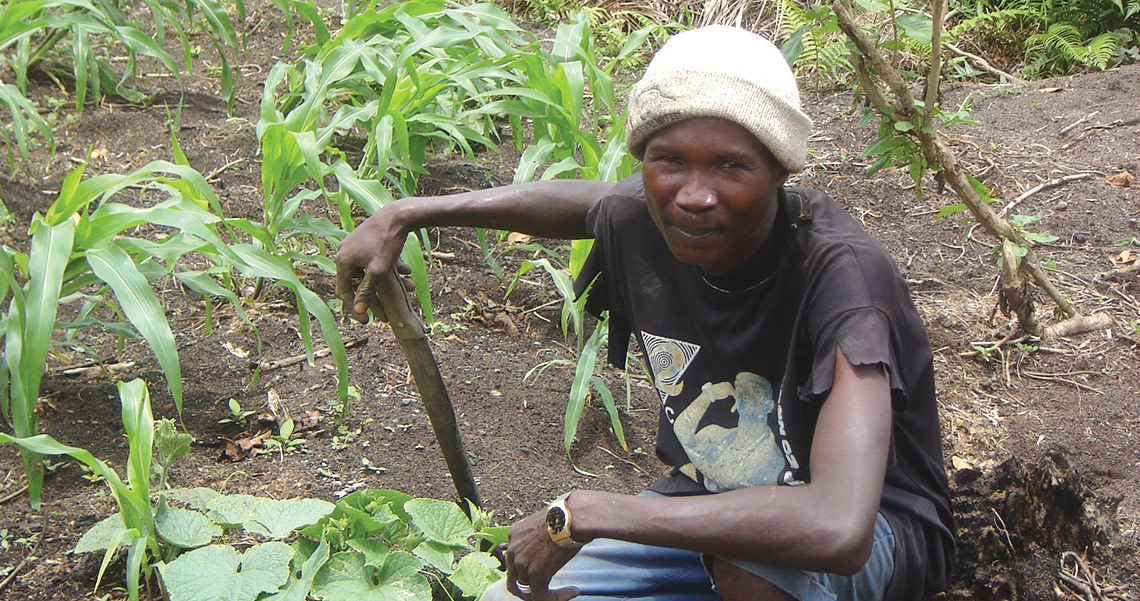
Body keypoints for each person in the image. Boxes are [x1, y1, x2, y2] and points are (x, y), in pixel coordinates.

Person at [335, 25, 955, 601]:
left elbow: (837, 528)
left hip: (874, 535)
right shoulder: (650, 216)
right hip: (710, 505)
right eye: (668, 160)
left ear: (778, 169)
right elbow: (583, 205)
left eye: (731, 165)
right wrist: (406, 214)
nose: (694, 194)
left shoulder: (843, 281)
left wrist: (585, 513)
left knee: (750, 568)